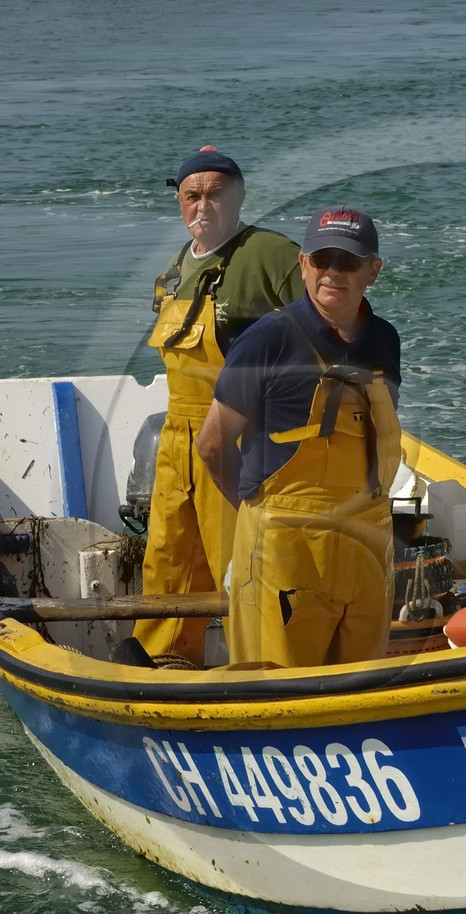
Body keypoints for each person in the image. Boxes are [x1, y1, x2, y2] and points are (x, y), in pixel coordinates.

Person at [198, 206, 402, 668]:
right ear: (303, 265)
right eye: (322, 259)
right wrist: (257, 517)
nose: (333, 272)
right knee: (274, 690)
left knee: (363, 688)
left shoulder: (386, 340)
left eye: (348, 262)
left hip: (368, 546)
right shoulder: (266, 339)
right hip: (284, 553)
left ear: (372, 271)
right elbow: (212, 443)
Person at [133, 146, 304, 664]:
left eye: (215, 194)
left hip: (238, 435)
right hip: (177, 441)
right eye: (192, 195)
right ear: (179, 201)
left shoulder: (272, 254)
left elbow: (320, 335)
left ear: (239, 196)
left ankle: (261, 667)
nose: (202, 205)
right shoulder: (176, 266)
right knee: (168, 560)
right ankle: (165, 663)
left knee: (242, 561)